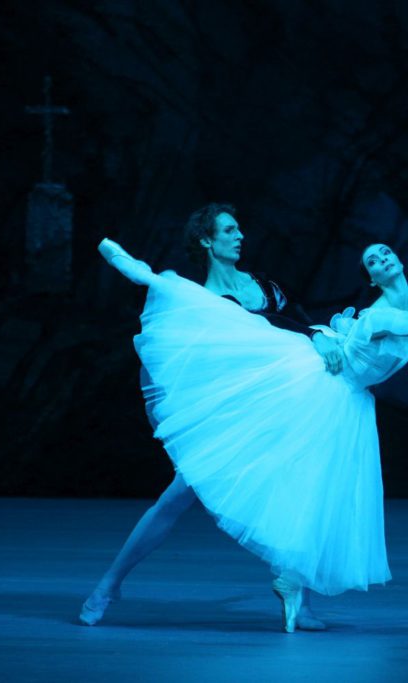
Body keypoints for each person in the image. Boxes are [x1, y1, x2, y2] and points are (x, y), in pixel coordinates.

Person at [96, 209, 408, 632]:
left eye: (386, 252)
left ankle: (296, 592)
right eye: (374, 258)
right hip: (296, 382)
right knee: (185, 490)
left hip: (337, 392)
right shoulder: (381, 314)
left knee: (318, 491)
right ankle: (110, 583)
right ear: (370, 277)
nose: (384, 257)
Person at [79, 204, 341, 630]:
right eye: (229, 230)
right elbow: (182, 358)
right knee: (177, 497)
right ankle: (110, 584)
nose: (240, 236)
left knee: (300, 491)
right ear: (206, 240)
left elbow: (300, 323)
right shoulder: (197, 300)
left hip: (279, 408)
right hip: (233, 416)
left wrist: (321, 337)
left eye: (240, 229)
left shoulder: (265, 287)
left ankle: (298, 598)